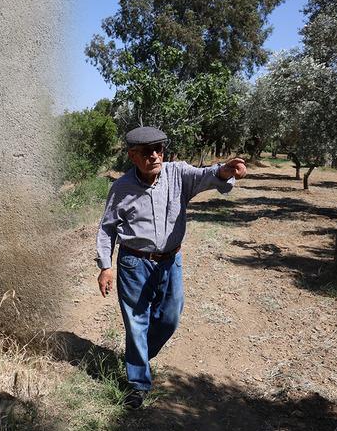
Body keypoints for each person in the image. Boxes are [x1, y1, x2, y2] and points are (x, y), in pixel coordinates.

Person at [96, 126, 246, 409]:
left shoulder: (178, 174)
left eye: (159, 150)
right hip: (133, 262)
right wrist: (105, 266)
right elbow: (107, 230)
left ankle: (137, 356)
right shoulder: (121, 188)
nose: (155, 156)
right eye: (147, 151)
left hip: (170, 261)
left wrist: (226, 171)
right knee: (136, 322)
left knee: (169, 318)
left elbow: (207, 176)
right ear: (132, 155)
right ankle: (138, 383)